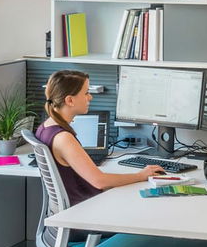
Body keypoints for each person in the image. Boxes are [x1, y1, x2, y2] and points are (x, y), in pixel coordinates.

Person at [36, 69, 166, 200]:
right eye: (86, 93)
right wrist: (141, 175)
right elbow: (99, 181)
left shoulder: (45, 127)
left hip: (82, 201)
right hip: (85, 205)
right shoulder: (63, 138)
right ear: (70, 100)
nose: (90, 97)